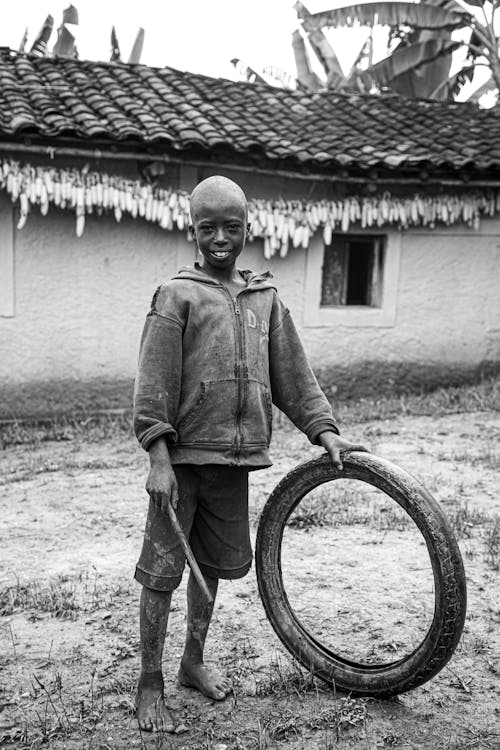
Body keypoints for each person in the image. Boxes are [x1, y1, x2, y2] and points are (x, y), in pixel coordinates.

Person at [133, 175, 365, 732]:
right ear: (192, 229)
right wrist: (158, 460)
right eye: (207, 227)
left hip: (235, 462)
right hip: (183, 462)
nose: (219, 238)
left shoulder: (265, 297)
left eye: (230, 227)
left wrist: (324, 430)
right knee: (162, 571)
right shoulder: (176, 295)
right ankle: (149, 683)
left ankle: (192, 661)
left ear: (247, 228)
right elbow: (153, 384)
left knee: (209, 568)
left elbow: (293, 376)